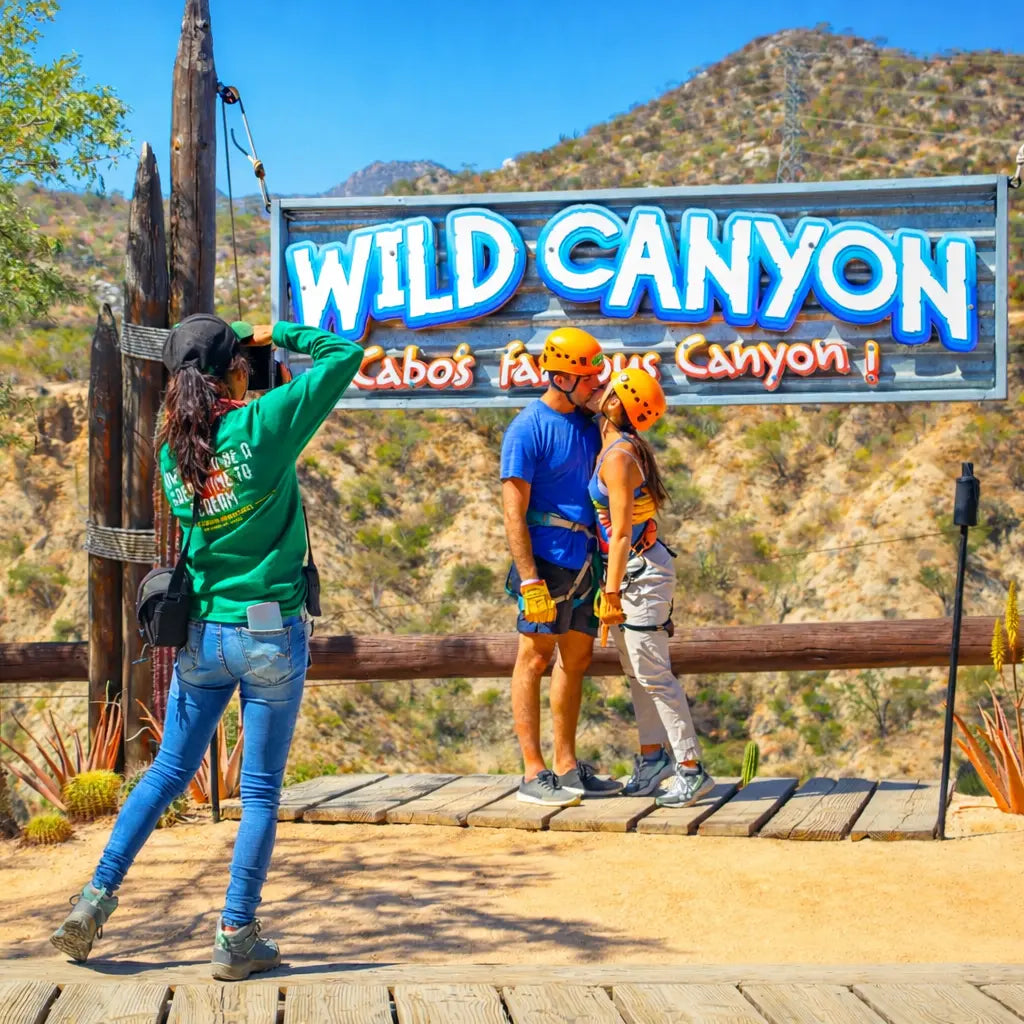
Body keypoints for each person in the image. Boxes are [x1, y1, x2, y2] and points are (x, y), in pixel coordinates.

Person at [51, 314, 363, 980]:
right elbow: (344, 354)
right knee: (258, 795)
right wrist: (273, 330)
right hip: (271, 632)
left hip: (202, 639)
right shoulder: (265, 426)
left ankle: (95, 898)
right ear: (236, 370)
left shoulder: (173, 451)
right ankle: (235, 934)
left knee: (166, 773)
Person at [500, 326, 623, 805]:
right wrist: (529, 578)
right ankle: (533, 772)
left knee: (577, 659)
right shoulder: (526, 428)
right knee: (534, 658)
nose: (597, 384)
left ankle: (567, 766)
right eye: (589, 377)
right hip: (546, 561)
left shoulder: (590, 424)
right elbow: (513, 511)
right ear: (562, 377)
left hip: (586, 556)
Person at [589, 368, 715, 807]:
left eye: (606, 390)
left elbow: (622, 532)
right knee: (638, 674)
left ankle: (691, 769)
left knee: (655, 675)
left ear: (613, 404)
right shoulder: (617, 448)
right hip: (632, 571)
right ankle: (653, 757)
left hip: (637, 575)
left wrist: (609, 591)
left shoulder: (619, 457)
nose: (597, 391)